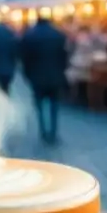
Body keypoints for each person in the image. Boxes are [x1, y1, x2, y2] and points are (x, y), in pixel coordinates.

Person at [20, 13, 69, 144]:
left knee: (39, 105)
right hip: (55, 75)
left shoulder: (29, 36)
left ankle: (43, 131)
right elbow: (64, 56)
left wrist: (27, 75)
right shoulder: (59, 35)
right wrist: (62, 71)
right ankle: (53, 132)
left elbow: (25, 59)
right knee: (54, 105)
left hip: (37, 76)